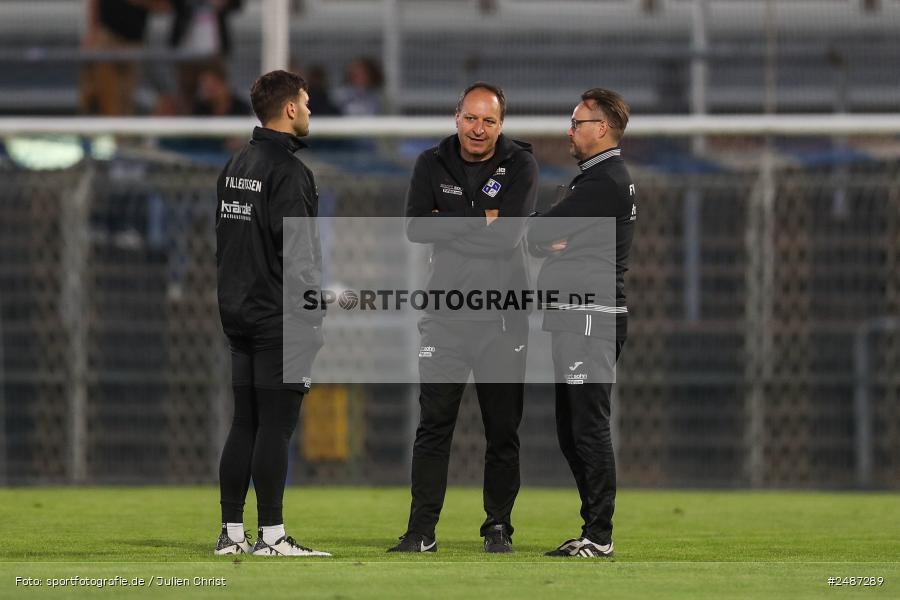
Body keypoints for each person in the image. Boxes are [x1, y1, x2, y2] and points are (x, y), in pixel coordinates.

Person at [389, 83, 539, 554]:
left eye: (489, 121)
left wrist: (449, 219)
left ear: (501, 124)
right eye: (471, 118)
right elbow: (415, 226)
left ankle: (498, 527)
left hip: (502, 320)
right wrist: (482, 218)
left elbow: (508, 238)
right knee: (433, 426)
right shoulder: (430, 163)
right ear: (456, 117)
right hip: (446, 317)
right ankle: (421, 531)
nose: (479, 129)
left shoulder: (521, 164)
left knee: (502, 430)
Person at [214, 70, 329, 557]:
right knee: (275, 427)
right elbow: (298, 254)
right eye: (305, 102)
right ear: (289, 109)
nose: (308, 110)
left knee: (245, 422)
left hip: (238, 312)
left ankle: (232, 534)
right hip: (278, 316)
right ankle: (272, 536)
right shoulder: (289, 172)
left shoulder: (236, 163)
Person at [527, 88, 637, 558]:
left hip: (590, 315)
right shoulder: (595, 181)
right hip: (576, 314)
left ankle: (600, 536)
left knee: (587, 427)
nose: (569, 131)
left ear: (603, 128)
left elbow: (537, 234)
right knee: (572, 428)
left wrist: (547, 234)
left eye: (577, 123)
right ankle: (593, 530)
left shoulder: (604, 182)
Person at [80, 0, 170, 115]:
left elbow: (164, 7)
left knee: (127, 96)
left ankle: (123, 131)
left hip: (134, 41)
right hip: (109, 37)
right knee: (107, 95)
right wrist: (92, 31)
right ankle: (107, 128)